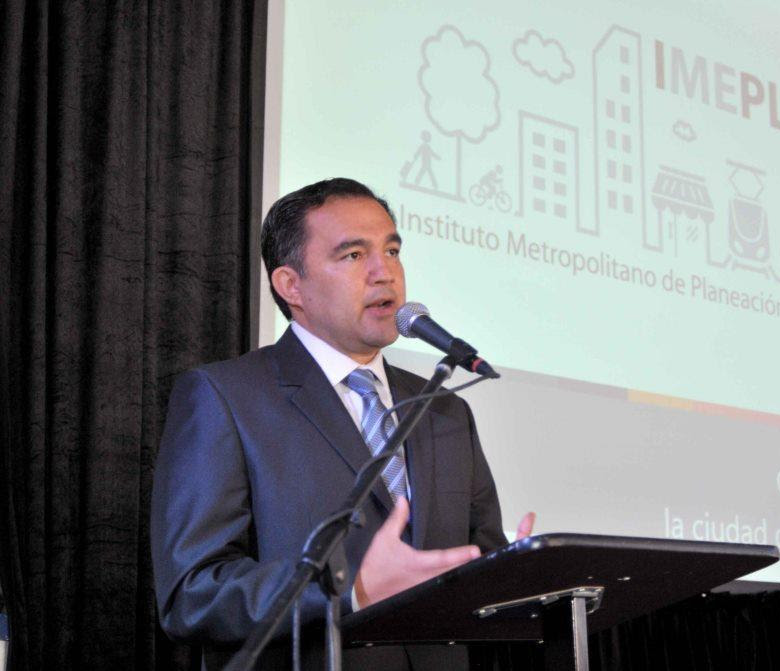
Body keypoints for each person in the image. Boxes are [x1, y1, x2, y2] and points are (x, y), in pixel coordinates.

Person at [151, 178, 534, 670]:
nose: (384, 272)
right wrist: (352, 590)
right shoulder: (225, 397)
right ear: (291, 286)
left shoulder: (443, 408)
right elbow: (193, 593)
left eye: (392, 251)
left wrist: (517, 576)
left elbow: (477, 556)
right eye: (354, 255)